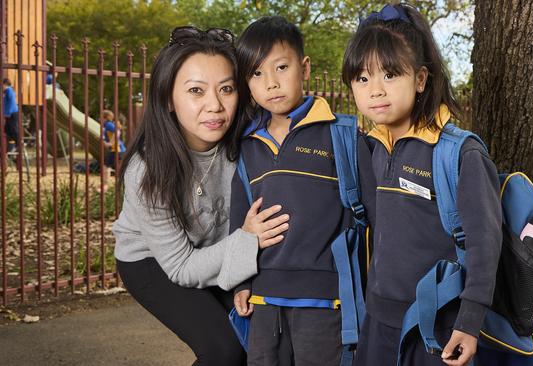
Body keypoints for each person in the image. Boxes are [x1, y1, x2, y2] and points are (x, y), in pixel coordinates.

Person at [112, 26, 290, 366]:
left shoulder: (249, 142)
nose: (215, 105)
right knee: (224, 350)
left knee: (263, 337)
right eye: (196, 91)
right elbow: (182, 268)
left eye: (226, 89)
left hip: (220, 247)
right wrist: (247, 240)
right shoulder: (147, 170)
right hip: (154, 261)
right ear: (168, 98)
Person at [342, 4, 502, 366]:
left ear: (420, 79)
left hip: (436, 324)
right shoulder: (374, 150)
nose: (375, 91)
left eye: (390, 75)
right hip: (378, 319)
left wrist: (470, 320)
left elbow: (485, 243)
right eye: (362, 79)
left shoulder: (459, 152)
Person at [230, 16, 376, 366]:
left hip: (326, 302)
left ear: (305, 67)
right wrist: (241, 283)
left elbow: (376, 220)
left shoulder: (341, 134)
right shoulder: (247, 146)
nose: (271, 83)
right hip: (263, 303)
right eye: (256, 74)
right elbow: (240, 222)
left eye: (281, 67)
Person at [99, 109, 126, 191]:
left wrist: (111, 143)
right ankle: (118, 185)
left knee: (105, 166)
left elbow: (117, 132)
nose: (99, 119)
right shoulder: (106, 125)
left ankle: (105, 185)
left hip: (117, 149)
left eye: (101, 117)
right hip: (117, 150)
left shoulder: (108, 124)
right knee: (116, 168)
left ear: (105, 117)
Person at [2, 78, 19, 153]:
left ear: (5, 84)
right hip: (10, 113)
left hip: (12, 113)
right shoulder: (7, 91)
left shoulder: (9, 91)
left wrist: (7, 113)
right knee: (7, 130)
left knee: (13, 129)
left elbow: (12, 103)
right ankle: (10, 146)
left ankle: (18, 144)